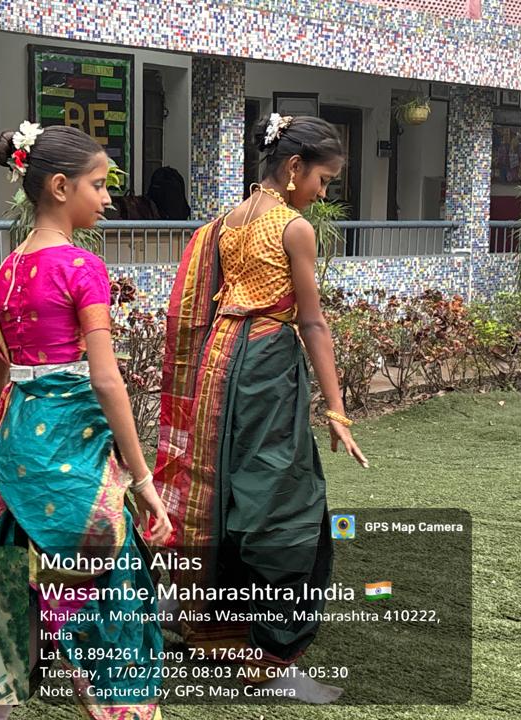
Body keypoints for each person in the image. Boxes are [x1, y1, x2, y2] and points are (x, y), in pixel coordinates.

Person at [0, 123, 172, 720]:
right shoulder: (81, 267)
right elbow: (106, 381)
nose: (108, 198)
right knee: (108, 596)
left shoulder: (2, 274)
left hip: (14, 446)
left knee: (8, 589)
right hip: (74, 444)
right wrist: (143, 478)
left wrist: (5, 453)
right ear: (58, 187)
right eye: (98, 185)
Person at [152, 115, 369, 704]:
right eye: (323, 180)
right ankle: (273, 658)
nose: (322, 193)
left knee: (221, 494)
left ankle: (203, 620)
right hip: (266, 368)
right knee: (286, 508)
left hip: (218, 366)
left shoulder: (227, 222)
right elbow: (312, 321)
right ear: (295, 167)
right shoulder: (294, 227)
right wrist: (337, 411)